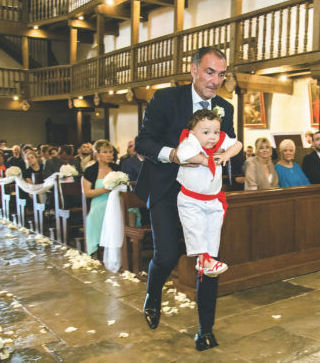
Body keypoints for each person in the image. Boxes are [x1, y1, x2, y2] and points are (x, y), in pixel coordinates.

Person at [135, 46, 235, 351]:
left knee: (208, 260)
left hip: (204, 194)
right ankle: (153, 295)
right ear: (193, 70)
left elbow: (228, 142)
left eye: (221, 74)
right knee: (166, 255)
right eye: (209, 72)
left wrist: (222, 157)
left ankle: (206, 329)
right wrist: (174, 155)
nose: (216, 80)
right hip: (167, 188)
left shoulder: (225, 108)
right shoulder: (165, 99)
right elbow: (144, 142)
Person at [176, 109, 242, 277]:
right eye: (206, 132)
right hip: (191, 200)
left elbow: (238, 145)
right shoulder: (189, 142)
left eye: (216, 132)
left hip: (213, 199)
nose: (212, 137)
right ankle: (203, 258)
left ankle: (207, 260)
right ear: (193, 133)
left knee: (213, 230)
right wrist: (205, 160)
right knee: (196, 229)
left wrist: (226, 154)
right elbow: (182, 154)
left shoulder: (219, 142)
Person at [82, 140, 118, 256]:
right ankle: (97, 246)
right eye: (105, 152)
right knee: (96, 213)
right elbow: (87, 193)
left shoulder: (116, 168)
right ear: (96, 154)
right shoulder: (90, 171)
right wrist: (105, 190)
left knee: (131, 210)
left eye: (111, 152)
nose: (109, 155)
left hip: (116, 201)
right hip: (99, 202)